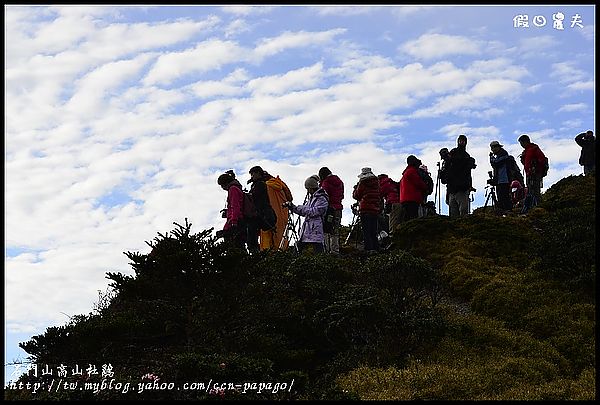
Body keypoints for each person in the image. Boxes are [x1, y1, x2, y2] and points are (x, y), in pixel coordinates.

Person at [283, 175, 328, 254]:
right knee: (300, 246)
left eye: (307, 188)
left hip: (316, 228)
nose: (307, 191)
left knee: (317, 248)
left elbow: (313, 211)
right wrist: (292, 207)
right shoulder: (313, 198)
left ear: (311, 187)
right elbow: (305, 211)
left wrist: (300, 208)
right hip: (308, 228)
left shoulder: (322, 198)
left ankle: (321, 263)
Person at [445, 134, 477, 217]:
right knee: (454, 213)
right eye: (460, 141)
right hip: (453, 188)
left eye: (463, 141)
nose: (461, 142)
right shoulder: (455, 154)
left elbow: (468, 173)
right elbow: (448, 169)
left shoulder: (466, 156)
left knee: (463, 212)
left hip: (461, 188)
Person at [247, 166, 277, 251]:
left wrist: (247, 195)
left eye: (253, 174)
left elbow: (256, 198)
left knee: (252, 238)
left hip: (260, 214)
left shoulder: (260, 184)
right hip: (263, 214)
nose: (252, 176)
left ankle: (255, 254)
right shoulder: (259, 184)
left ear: (258, 173)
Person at [262, 169, 294, 250]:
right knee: (282, 236)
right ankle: (283, 253)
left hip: (270, 214)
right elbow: (290, 198)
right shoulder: (281, 184)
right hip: (284, 214)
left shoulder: (265, 186)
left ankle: (271, 256)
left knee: (269, 237)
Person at [352, 167, 381, 252]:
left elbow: (356, 195)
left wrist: (355, 189)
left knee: (366, 231)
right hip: (375, 209)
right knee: (373, 231)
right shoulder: (377, 183)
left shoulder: (363, 183)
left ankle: (368, 249)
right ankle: (376, 247)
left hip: (365, 209)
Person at [216, 171, 246, 249]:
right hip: (238, 219)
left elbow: (235, 206)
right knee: (239, 243)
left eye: (222, 185)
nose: (222, 188)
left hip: (235, 220)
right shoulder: (237, 188)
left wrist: (234, 221)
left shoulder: (233, 189)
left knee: (234, 244)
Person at [318, 167, 344, 254]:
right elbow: (341, 196)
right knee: (335, 230)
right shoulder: (339, 182)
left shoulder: (326, 183)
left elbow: (323, 195)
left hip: (329, 209)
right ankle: (335, 250)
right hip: (338, 208)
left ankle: (326, 250)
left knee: (326, 229)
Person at [518, 134, 547, 207]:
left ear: (525, 142)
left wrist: (536, 168)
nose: (521, 145)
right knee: (530, 190)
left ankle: (539, 206)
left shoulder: (534, 148)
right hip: (529, 173)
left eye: (521, 143)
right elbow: (526, 163)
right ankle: (533, 206)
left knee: (535, 190)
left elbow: (542, 159)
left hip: (535, 173)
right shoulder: (526, 151)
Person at [400, 155, 428, 221]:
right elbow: (418, 182)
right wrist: (426, 187)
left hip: (405, 198)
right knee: (413, 217)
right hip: (412, 198)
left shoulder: (406, 172)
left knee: (407, 217)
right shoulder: (412, 171)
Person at [488, 140, 513, 212]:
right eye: (492, 148)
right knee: (501, 197)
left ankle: (507, 210)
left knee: (504, 197)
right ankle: (504, 211)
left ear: (499, 147)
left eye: (495, 147)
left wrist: (491, 158)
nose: (493, 149)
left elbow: (496, 163)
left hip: (504, 180)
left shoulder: (503, 154)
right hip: (500, 180)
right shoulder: (500, 155)